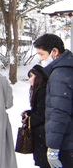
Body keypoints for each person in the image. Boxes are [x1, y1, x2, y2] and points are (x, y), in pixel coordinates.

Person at [33, 33, 73, 168]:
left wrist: (53, 148)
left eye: (42, 54)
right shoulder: (68, 69)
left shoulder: (59, 74)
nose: (40, 59)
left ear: (54, 51)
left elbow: (59, 112)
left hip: (66, 144)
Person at [22, 64, 49, 168]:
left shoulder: (42, 90)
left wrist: (29, 119)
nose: (29, 80)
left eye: (31, 76)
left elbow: (42, 114)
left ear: (38, 76)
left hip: (42, 133)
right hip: (42, 133)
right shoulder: (40, 89)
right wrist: (29, 113)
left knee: (43, 162)